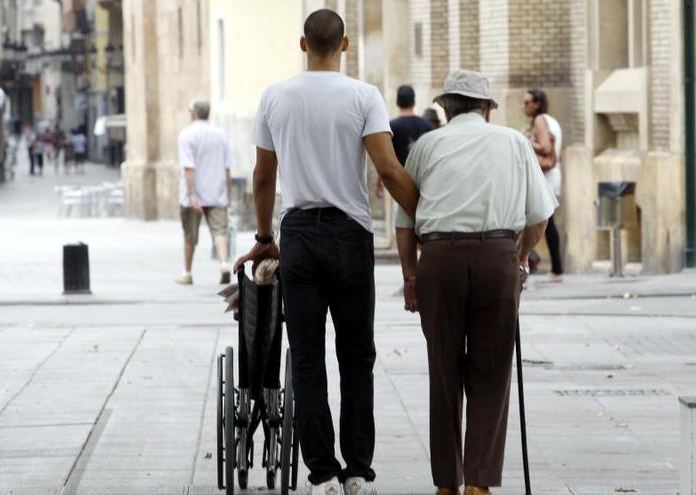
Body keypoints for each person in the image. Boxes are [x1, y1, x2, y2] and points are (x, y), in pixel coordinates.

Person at [232, 9, 417, 495]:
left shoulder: (275, 97)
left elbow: (263, 176)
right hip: (350, 236)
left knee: (309, 359)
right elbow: (388, 169)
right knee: (357, 358)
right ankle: (357, 471)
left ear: (302, 44)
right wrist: (426, 219)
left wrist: (263, 235)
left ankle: (322, 475)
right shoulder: (364, 96)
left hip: (298, 236)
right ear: (345, 45)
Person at [395, 69, 558, 495]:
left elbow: (404, 222)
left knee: (443, 371)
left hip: (439, 259)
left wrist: (410, 277)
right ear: (486, 110)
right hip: (496, 257)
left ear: (445, 109)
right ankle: (479, 484)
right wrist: (518, 259)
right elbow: (539, 218)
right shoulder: (513, 143)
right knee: (491, 372)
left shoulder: (426, 145)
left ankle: (447, 484)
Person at [175, 99, 234, 286]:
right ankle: (224, 264)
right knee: (220, 231)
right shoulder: (221, 134)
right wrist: (228, 195)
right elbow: (227, 168)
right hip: (217, 193)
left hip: (193, 196)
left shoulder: (186, 135)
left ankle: (187, 272)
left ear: (193, 113)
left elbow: (188, 168)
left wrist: (192, 195)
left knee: (190, 234)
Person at [523, 88, 564, 281]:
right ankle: (555, 267)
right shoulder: (552, 120)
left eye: (527, 102)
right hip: (553, 174)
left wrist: (524, 140)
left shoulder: (540, 120)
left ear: (537, 103)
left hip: (544, 176)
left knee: (541, 221)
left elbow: (546, 147)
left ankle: (553, 267)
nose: (524, 106)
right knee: (547, 222)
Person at [375, 84, 432, 197]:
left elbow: (386, 160)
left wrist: (379, 181)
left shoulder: (391, 127)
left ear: (397, 102)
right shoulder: (427, 125)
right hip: (424, 183)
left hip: (400, 185)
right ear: (413, 102)